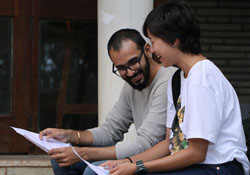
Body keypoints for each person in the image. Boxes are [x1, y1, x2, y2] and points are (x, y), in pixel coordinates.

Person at [100, 1, 250, 175]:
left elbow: (197, 153)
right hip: (195, 166)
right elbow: (169, 144)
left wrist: (137, 167)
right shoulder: (177, 80)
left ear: (175, 40)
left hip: (220, 167)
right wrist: (127, 163)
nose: (153, 50)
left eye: (154, 41)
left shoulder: (202, 77)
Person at [39, 28, 175, 175]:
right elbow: (110, 131)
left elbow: (146, 144)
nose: (130, 73)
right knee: (61, 161)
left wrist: (84, 153)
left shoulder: (168, 81)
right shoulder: (132, 87)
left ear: (147, 50)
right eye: (121, 68)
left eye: (133, 62)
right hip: (140, 157)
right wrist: (70, 135)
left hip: (158, 162)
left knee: (95, 171)